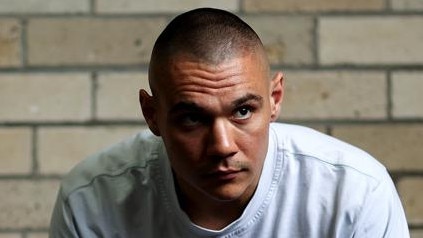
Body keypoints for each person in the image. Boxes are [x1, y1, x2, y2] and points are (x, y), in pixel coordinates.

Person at [49, 8, 409, 238]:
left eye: (242, 112)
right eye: (192, 118)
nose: (222, 145)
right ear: (152, 114)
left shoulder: (353, 192)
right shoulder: (91, 201)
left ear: (275, 100)